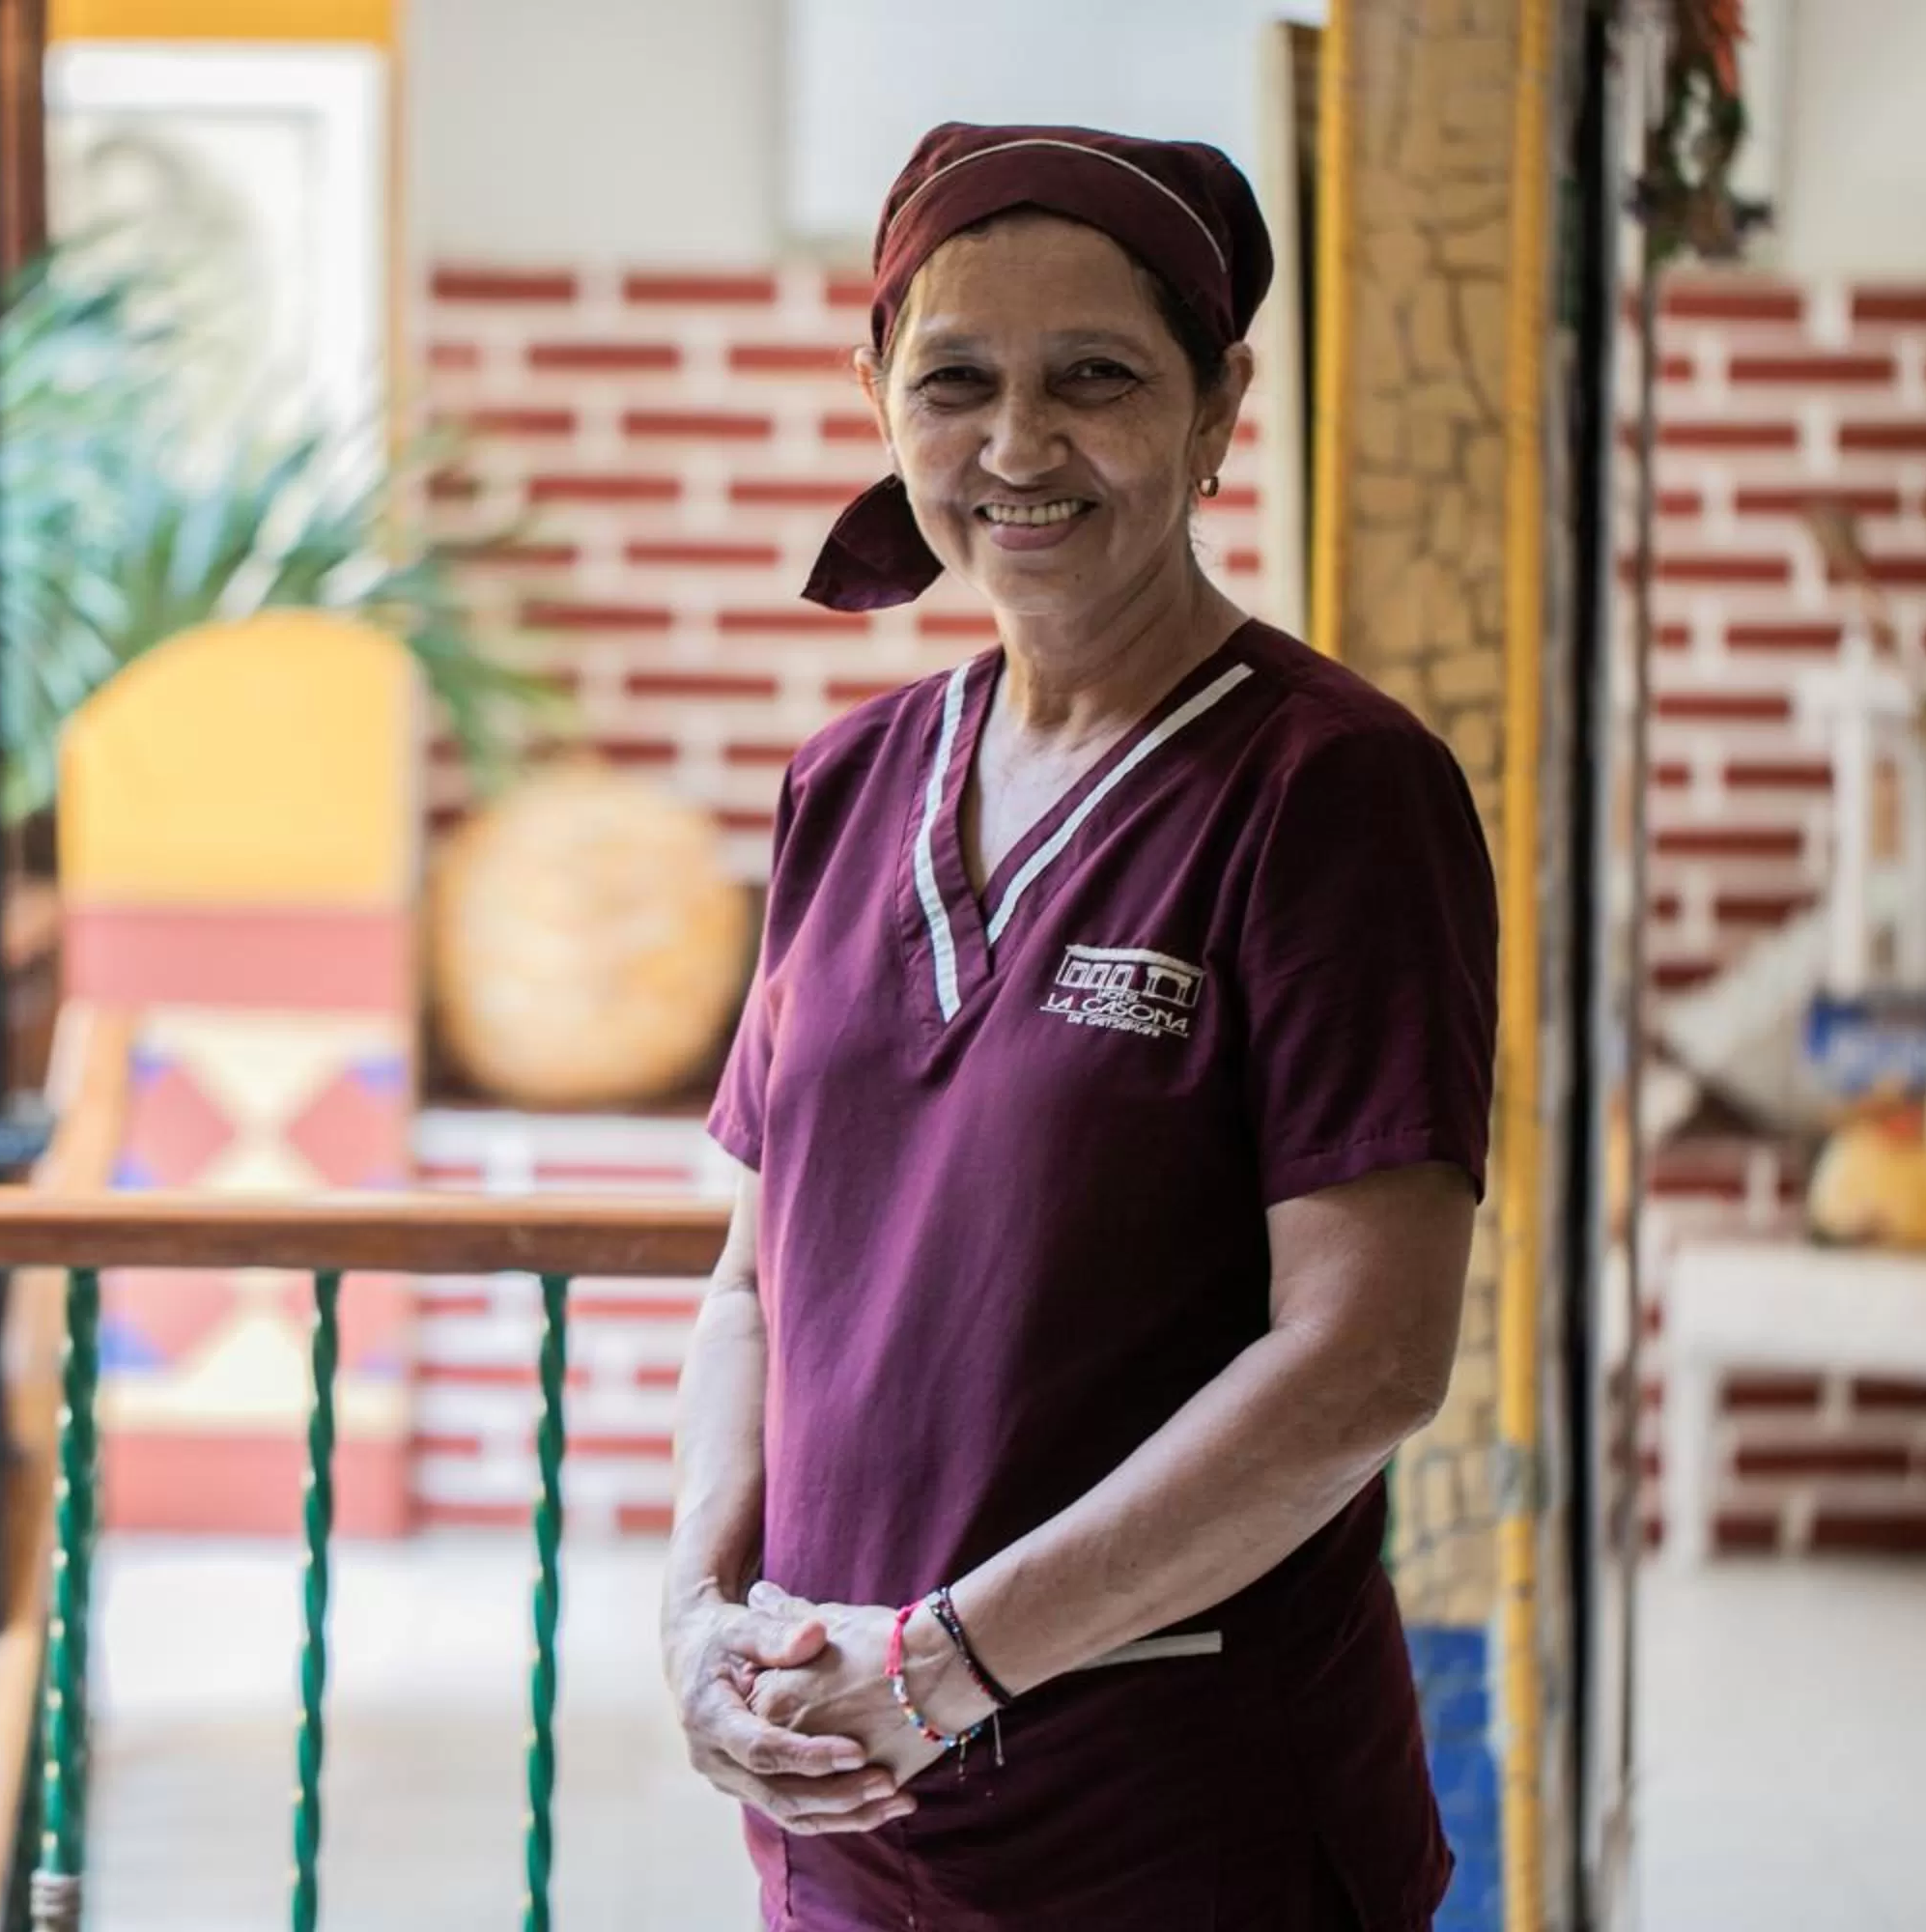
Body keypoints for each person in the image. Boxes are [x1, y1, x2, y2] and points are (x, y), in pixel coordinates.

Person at [662, 121, 1501, 1931]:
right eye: (956, 381)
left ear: (1218, 409)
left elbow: (1365, 1359)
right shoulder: (846, 783)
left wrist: (944, 1666)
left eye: (1097, 379)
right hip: (848, 1813)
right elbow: (752, 1286)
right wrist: (699, 1615)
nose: (1019, 447)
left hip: (1179, 1829)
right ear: (879, 399)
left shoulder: (1332, 791)